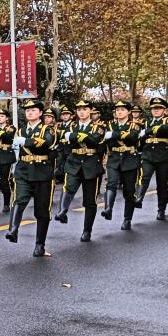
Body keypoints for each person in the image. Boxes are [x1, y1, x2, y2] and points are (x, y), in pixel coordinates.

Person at [5, 99, 57, 257]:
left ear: (40, 113)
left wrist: (26, 141)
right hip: (23, 171)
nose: (29, 112)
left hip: (42, 173)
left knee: (42, 211)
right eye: (27, 110)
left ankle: (40, 245)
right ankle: (13, 230)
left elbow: (46, 143)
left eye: (33, 110)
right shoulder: (21, 130)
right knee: (19, 199)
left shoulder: (48, 129)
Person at [54, 100, 106, 241]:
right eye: (79, 110)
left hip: (91, 165)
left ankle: (87, 231)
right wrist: (81, 137)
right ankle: (62, 211)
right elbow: (64, 138)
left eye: (84, 109)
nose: (81, 112)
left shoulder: (98, 127)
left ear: (90, 111)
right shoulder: (71, 126)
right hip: (74, 162)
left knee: (89, 201)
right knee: (68, 187)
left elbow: (94, 141)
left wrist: (76, 136)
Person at [99, 100, 140, 231]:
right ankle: (108, 209)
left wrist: (114, 135)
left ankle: (127, 219)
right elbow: (105, 140)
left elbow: (132, 138)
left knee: (129, 191)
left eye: (122, 110)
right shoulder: (110, 125)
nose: (119, 112)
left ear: (128, 112)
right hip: (114, 159)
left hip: (129, 159)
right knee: (111, 183)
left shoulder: (135, 125)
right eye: (117, 110)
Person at [135, 97, 168, 220]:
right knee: (144, 176)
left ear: (164, 110)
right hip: (148, 155)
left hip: (164, 156)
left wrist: (148, 131)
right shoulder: (146, 122)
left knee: (162, 184)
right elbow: (141, 139)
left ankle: (161, 210)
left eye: (158, 108)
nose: (155, 110)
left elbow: (166, 129)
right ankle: (139, 198)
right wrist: (139, 150)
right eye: (153, 108)